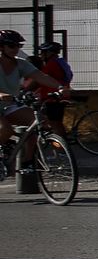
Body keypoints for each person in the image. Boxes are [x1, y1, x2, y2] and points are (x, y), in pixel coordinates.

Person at [1, 30, 66, 164]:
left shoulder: (21, 63)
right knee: (5, 129)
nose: (16, 49)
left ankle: (28, 162)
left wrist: (61, 87)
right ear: (1, 47)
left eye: (19, 46)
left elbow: (41, 77)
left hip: (10, 104)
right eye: (12, 46)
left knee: (37, 123)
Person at [26, 41, 73, 137]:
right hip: (60, 96)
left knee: (54, 123)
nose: (41, 55)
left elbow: (40, 79)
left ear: (49, 53)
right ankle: (62, 143)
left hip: (52, 98)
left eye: (42, 52)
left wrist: (26, 89)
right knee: (56, 122)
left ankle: (61, 146)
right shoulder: (61, 63)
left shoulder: (51, 65)